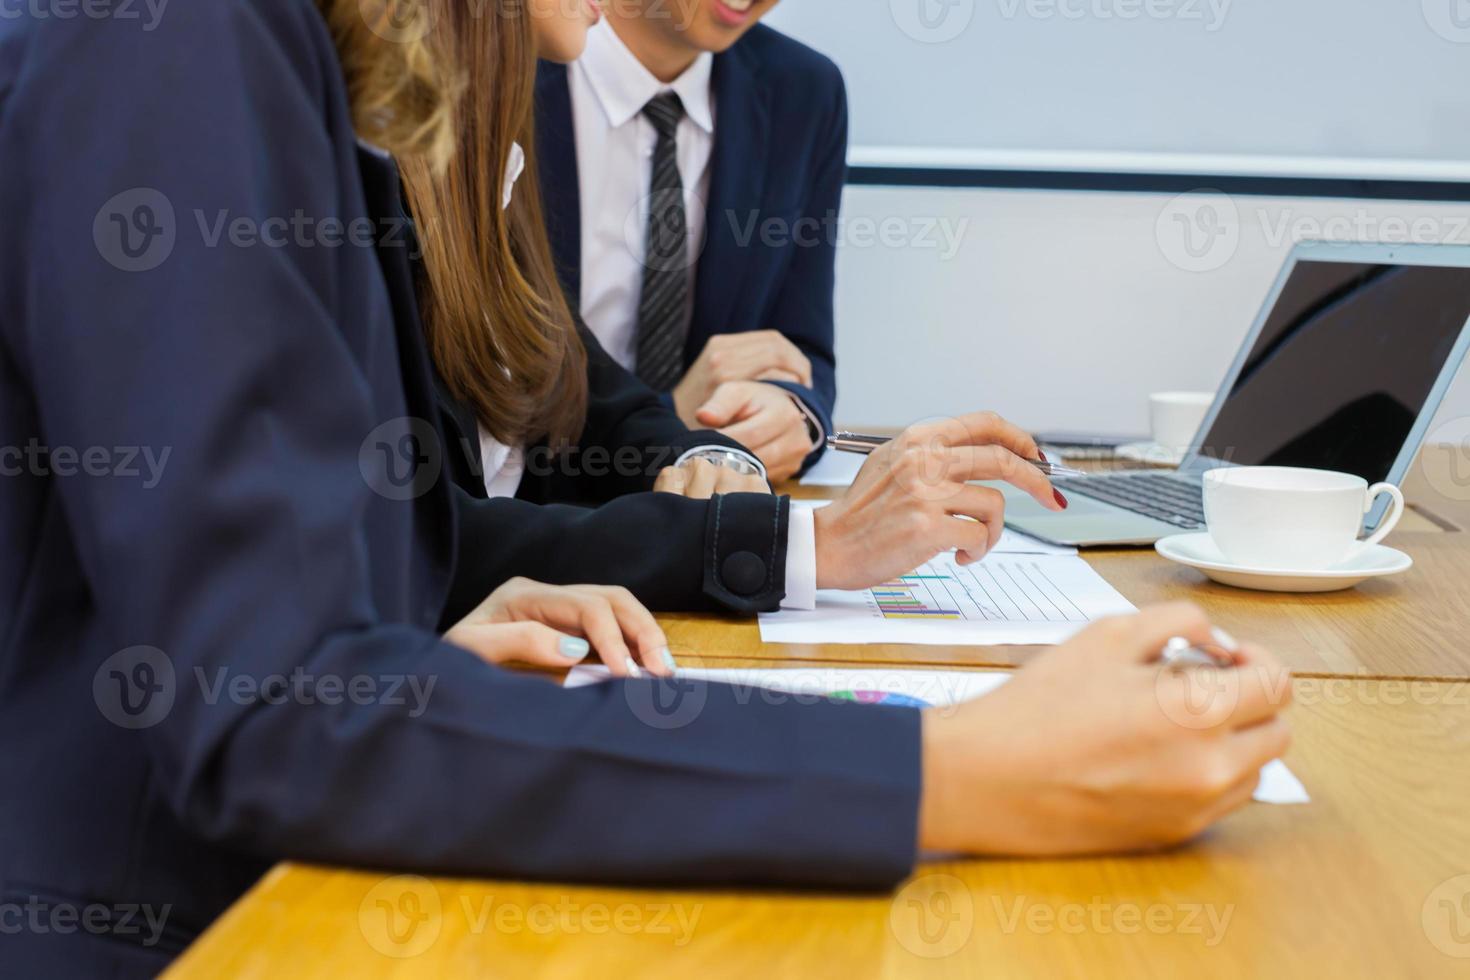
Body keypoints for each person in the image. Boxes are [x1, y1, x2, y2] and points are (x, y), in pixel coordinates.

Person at [0, 2, 1293, 976]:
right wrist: (947, 769)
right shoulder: (176, 49)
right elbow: (280, 715)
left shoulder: (302, 86)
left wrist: (413, 623)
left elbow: (288, 591)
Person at [537, 0, 840, 482]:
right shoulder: (501, 67)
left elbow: (802, 346)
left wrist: (791, 411)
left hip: (709, 511)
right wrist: (667, 423)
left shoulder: (802, 91)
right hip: (528, 514)